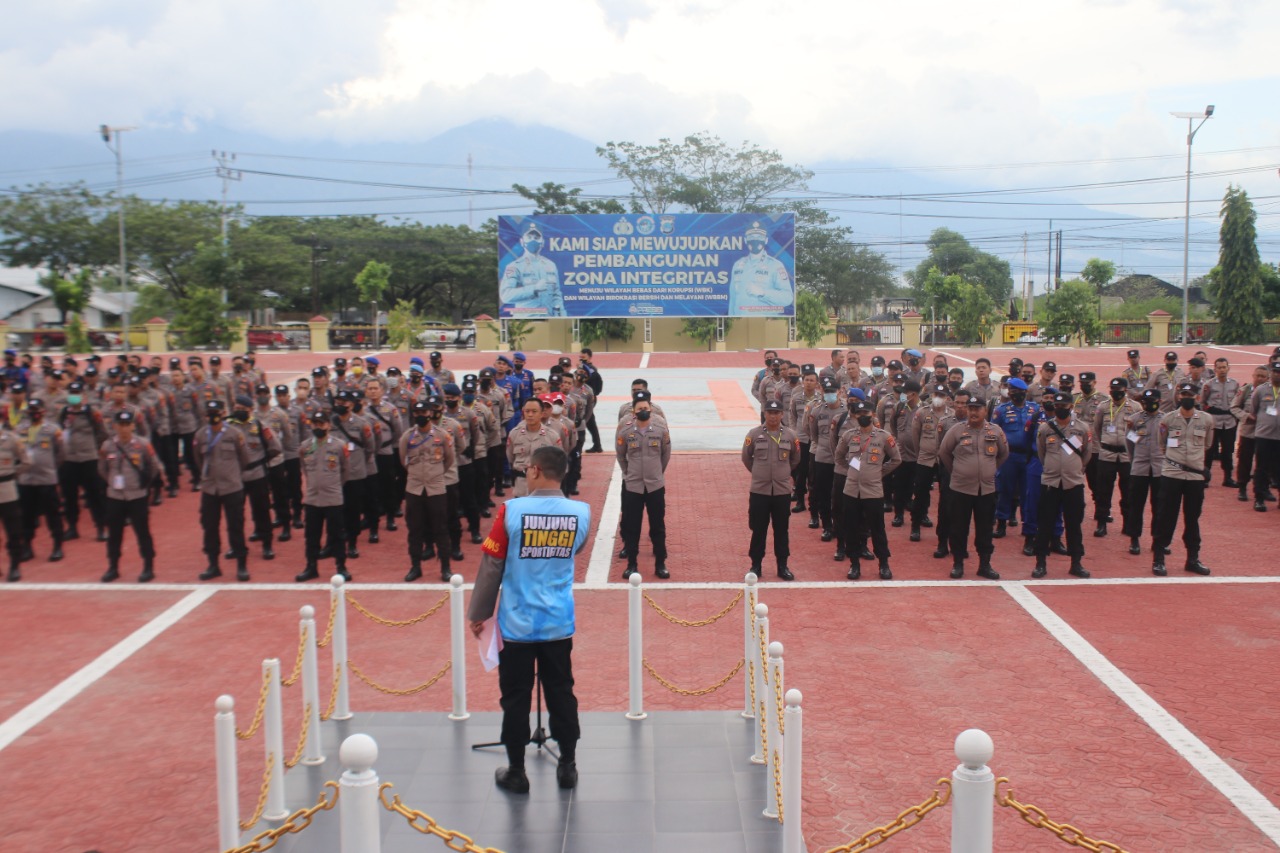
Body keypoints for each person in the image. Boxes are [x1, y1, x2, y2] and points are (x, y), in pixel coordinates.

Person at [468, 445, 588, 794]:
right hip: (557, 622)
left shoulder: (511, 511)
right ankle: (568, 764)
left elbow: (492, 566)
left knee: (516, 697)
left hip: (517, 623)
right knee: (562, 692)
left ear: (534, 470)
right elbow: (574, 551)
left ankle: (517, 770)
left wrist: (479, 614)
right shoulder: (580, 512)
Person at [939, 395, 1008, 580]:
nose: (973, 412)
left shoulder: (995, 430)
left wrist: (989, 470)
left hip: (986, 489)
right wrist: (958, 472)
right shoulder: (957, 430)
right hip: (961, 489)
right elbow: (944, 452)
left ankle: (984, 564)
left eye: (977, 408)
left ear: (985, 411)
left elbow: (1003, 454)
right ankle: (958, 564)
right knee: (958, 528)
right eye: (970, 408)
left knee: (985, 528)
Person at [1151, 383, 1214, 576]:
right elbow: (1162, 444)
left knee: (1192, 517)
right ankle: (1159, 558)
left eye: (1190, 394)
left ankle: (1192, 558)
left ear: (1196, 397)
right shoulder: (1168, 419)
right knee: (1166, 516)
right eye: (1183, 393)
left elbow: (1207, 444)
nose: (1186, 397)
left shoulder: (1206, 420)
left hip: (1195, 475)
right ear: (1178, 396)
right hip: (1173, 473)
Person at [835, 399, 900, 580]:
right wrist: (853, 468)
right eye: (860, 414)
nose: (863, 416)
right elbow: (839, 457)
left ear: (872, 414)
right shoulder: (848, 435)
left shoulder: (883, 436)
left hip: (873, 491)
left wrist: (879, 471)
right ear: (855, 415)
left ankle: (884, 564)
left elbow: (896, 459)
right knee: (851, 528)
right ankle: (854, 564)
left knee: (877, 528)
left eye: (866, 413)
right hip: (851, 490)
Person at [1032, 392, 1093, 579]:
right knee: (1044, 524)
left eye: (1064, 406)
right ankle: (1040, 563)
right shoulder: (1045, 428)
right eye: (1057, 406)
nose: (1060, 409)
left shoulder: (1082, 428)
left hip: (1073, 483)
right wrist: (1052, 469)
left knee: (1074, 524)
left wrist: (1075, 469)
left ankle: (1076, 562)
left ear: (1071, 407)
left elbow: (1087, 454)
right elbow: (1041, 453)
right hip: (1050, 482)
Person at [194, 400, 252, 582]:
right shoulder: (201, 435)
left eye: (216, 412)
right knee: (209, 527)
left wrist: (232, 474)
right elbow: (198, 459)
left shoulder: (235, 434)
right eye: (210, 412)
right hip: (210, 488)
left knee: (235, 526)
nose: (213, 415)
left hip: (232, 487)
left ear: (224, 412)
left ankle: (241, 564)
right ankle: (213, 564)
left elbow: (245, 459)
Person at [98, 411, 159, 583]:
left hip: (137, 495)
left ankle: (148, 566)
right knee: (114, 534)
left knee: (142, 532)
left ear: (133, 425)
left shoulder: (143, 444)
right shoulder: (107, 446)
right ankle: (113, 567)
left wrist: (142, 486)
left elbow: (153, 467)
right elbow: (102, 469)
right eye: (121, 424)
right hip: (115, 496)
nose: (124, 428)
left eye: (127, 424)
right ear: (115, 426)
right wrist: (111, 483)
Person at [743, 400, 800, 580]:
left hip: (782, 491)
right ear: (764, 413)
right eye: (770, 412)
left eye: (776, 412)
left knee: (781, 530)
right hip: (760, 491)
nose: (773, 416)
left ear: (782, 414)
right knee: (758, 529)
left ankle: (782, 566)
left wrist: (782, 474)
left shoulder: (791, 436)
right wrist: (760, 473)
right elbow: (746, 458)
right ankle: (756, 565)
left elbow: (795, 459)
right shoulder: (754, 434)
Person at [616, 394, 672, 579]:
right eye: (639, 409)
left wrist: (656, 473)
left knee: (658, 525)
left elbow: (665, 455)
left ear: (651, 409)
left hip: (655, 486)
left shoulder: (660, 429)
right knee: (633, 526)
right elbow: (621, 456)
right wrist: (629, 474)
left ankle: (660, 563)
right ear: (633, 411)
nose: (643, 411)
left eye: (645, 408)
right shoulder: (625, 431)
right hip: (633, 486)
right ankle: (632, 563)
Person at [400, 400, 455, 582]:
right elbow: (403, 461)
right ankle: (415, 566)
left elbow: (448, 460)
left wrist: (435, 474)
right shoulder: (407, 437)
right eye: (417, 413)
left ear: (430, 413)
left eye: (424, 412)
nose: (420, 416)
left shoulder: (442, 435)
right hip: (414, 489)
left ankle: (445, 567)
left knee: (441, 528)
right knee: (414, 529)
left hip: (436, 488)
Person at [295, 411, 350, 583]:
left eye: (322, 423)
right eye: (315, 423)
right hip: (312, 499)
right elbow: (304, 468)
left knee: (337, 534)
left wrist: (333, 486)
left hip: (333, 498)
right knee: (311, 535)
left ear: (329, 425)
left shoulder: (339, 446)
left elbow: (345, 472)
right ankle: (311, 567)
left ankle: (341, 566)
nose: (318, 427)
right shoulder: (305, 447)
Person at [1091, 378, 1140, 538]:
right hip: (1107, 454)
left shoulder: (1135, 407)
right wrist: (1106, 443)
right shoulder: (1103, 406)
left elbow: (1140, 430)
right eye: (1112, 389)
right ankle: (1101, 523)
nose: (1115, 392)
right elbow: (1097, 429)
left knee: (1128, 491)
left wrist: (1129, 443)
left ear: (1125, 390)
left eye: (1118, 389)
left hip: (1126, 455)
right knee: (1103, 491)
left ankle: (1128, 524)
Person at [991, 378, 1036, 539]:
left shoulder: (1034, 409)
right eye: (1011, 391)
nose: (1013, 394)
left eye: (1017, 391)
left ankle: (1027, 524)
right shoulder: (1001, 410)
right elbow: (993, 431)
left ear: (1024, 392)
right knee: (1005, 489)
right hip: (1008, 456)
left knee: (1027, 492)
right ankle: (1001, 522)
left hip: (1027, 457)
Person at [1123, 389, 1165, 556]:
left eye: (1152, 401)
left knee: (1160, 507)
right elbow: (1129, 443)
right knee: (1135, 506)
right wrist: (1135, 461)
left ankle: (1158, 540)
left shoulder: (1166, 420)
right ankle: (1134, 539)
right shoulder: (1135, 420)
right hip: (1139, 468)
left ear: (1159, 401)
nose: (1148, 404)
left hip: (1159, 469)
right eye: (1146, 401)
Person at [728, 222, 791, 315]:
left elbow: (788, 298)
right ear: (745, 240)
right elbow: (733, 300)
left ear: (766, 240)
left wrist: (763, 293)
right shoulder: (737, 265)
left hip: (766, 323)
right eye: (751, 237)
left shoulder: (775, 265)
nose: (755, 240)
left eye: (759, 237)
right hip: (740, 324)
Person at [501, 225, 565, 317]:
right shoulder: (514, 267)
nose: (533, 240)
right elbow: (506, 296)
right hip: (525, 321)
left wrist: (562, 316)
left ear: (542, 242)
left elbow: (556, 294)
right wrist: (534, 288)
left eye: (536, 237)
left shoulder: (551, 265)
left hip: (549, 319)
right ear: (522, 241)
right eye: (529, 237)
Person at [1232, 365, 1270, 504]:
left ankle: (1263, 489)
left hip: (1267, 434)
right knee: (1244, 462)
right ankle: (1242, 487)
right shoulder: (1245, 390)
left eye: (1263, 376)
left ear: (1268, 378)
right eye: (1257, 375)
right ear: (1253, 376)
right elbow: (1234, 407)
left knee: (1264, 463)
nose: (1259, 379)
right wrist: (1246, 416)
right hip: (1248, 432)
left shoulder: (1272, 392)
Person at [1245, 360, 1280, 514]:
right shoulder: (1260, 390)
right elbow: (1254, 409)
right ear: (1271, 373)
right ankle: (1259, 499)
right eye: (1275, 372)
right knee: (1261, 468)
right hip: (1264, 435)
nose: (1277, 375)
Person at [1201, 357, 1240, 486]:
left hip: (1229, 422)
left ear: (1228, 368)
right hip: (1214, 422)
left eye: (1224, 367)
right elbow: (1203, 402)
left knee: (1228, 451)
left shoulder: (1234, 384)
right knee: (1210, 451)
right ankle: (1205, 478)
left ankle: (1228, 478)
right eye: (1219, 367)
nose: (1222, 370)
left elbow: (1238, 402)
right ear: (1215, 369)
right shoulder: (1209, 385)